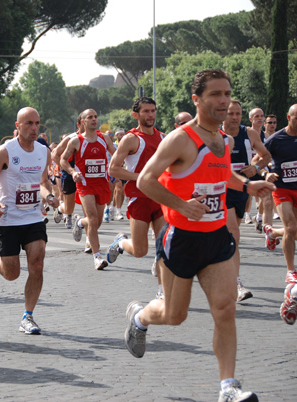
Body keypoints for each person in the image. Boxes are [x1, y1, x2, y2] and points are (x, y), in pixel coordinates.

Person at [124, 69, 272, 402]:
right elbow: (146, 180)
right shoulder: (180, 138)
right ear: (197, 99)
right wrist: (181, 205)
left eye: (227, 94)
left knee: (225, 309)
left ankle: (228, 388)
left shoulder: (223, 139)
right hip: (182, 238)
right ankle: (140, 316)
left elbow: (220, 173)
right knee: (175, 315)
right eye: (216, 94)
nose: (224, 101)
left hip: (216, 236)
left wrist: (247, 184)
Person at [0, 107, 59, 335]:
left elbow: (42, 183)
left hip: (33, 217)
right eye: (29, 124)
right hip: (7, 220)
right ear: (18, 126)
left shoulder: (44, 152)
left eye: (37, 123)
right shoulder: (5, 151)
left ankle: (28, 316)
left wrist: (49, 196)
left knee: (37, 263)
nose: (34, 128)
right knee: (12, 273)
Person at [107, 97, 166, 298]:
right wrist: (141, 177)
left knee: (164, 245)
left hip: (160, 198)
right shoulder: (131, 139)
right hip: (139, 198)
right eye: (146, 111)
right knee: (140, 251)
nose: (150, 115)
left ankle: (161, 292)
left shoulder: (163, 138)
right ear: (136, 115)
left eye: (153, 111)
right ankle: (120, 242)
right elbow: (113, 169)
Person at [221, 100, 270, 302]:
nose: (234, 117)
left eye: (237, 114)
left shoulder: (249, 134)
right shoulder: (214, 134)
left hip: (241, 190)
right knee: (233, 233)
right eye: (230, 113)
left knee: (231, 238)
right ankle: (236, 283)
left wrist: (256, 168)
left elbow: (265, 155)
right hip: (220, 190)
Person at [60, 109, 116, 270]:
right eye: (89, 117)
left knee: (96, 222)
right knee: (92, 219)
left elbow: (116, 154)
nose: (93, 119)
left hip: (102, 183)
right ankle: (97, 257)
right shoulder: (76, 141)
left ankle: (79, 222)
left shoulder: (104, 139)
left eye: (95, 117)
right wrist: (72, 172)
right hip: (85, 184)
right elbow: (63, 160)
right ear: (83, 122)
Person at [262, 104, 297, 325]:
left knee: (293, 231)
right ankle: (291, 271)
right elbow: (260, 158)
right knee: (292, 229)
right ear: (289, 117)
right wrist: (266, 173)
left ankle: (273, 233)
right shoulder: (276, 139)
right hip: (282, 189)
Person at [51, 115, 84, 228]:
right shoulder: (71, 138)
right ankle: (62, 210)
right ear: (78, 125)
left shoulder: (95, 138)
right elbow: (54, 153)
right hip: (70, 174)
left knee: (90, 205)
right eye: (84, 122)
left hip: (86, 175)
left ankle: (87, 229)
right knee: (69, 207)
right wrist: (65, 167)